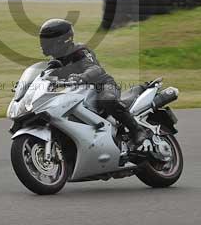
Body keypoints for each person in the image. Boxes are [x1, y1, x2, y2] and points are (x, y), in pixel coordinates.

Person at [38, 18, 148, 147]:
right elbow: (44, 76)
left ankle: (137, 130)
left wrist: (82, 77)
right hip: (79, 92)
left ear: (61, 40)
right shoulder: (55, 62)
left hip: (102, 86)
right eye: (43, 40)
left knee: (107, 100)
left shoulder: (80, 52)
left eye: (47, 41)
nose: (43, 44)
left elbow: (95, 68)